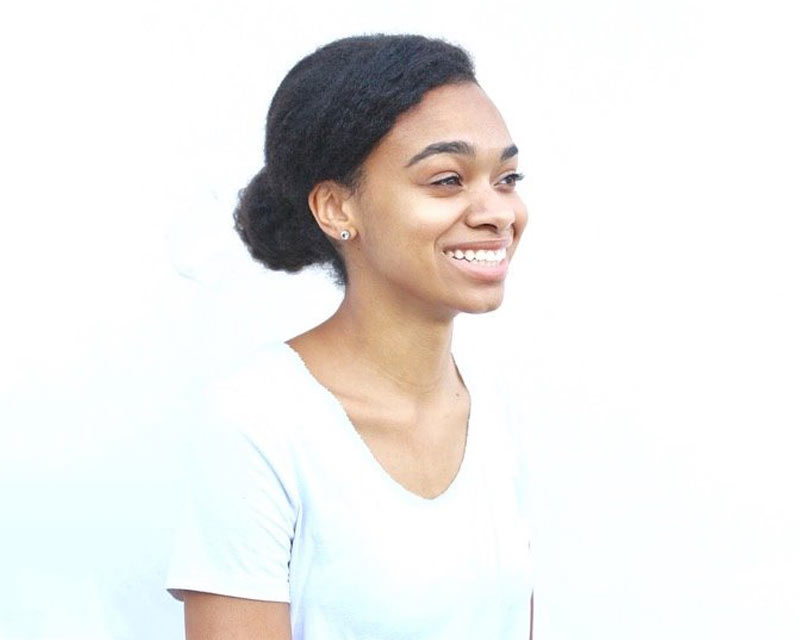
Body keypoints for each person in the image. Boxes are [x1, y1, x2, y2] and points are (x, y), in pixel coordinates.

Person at [166, 34, 533, 639]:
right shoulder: (258, 422)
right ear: (337, 209)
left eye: (508, 177)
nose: (497, 211)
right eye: (446, 180)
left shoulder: (491, 407)